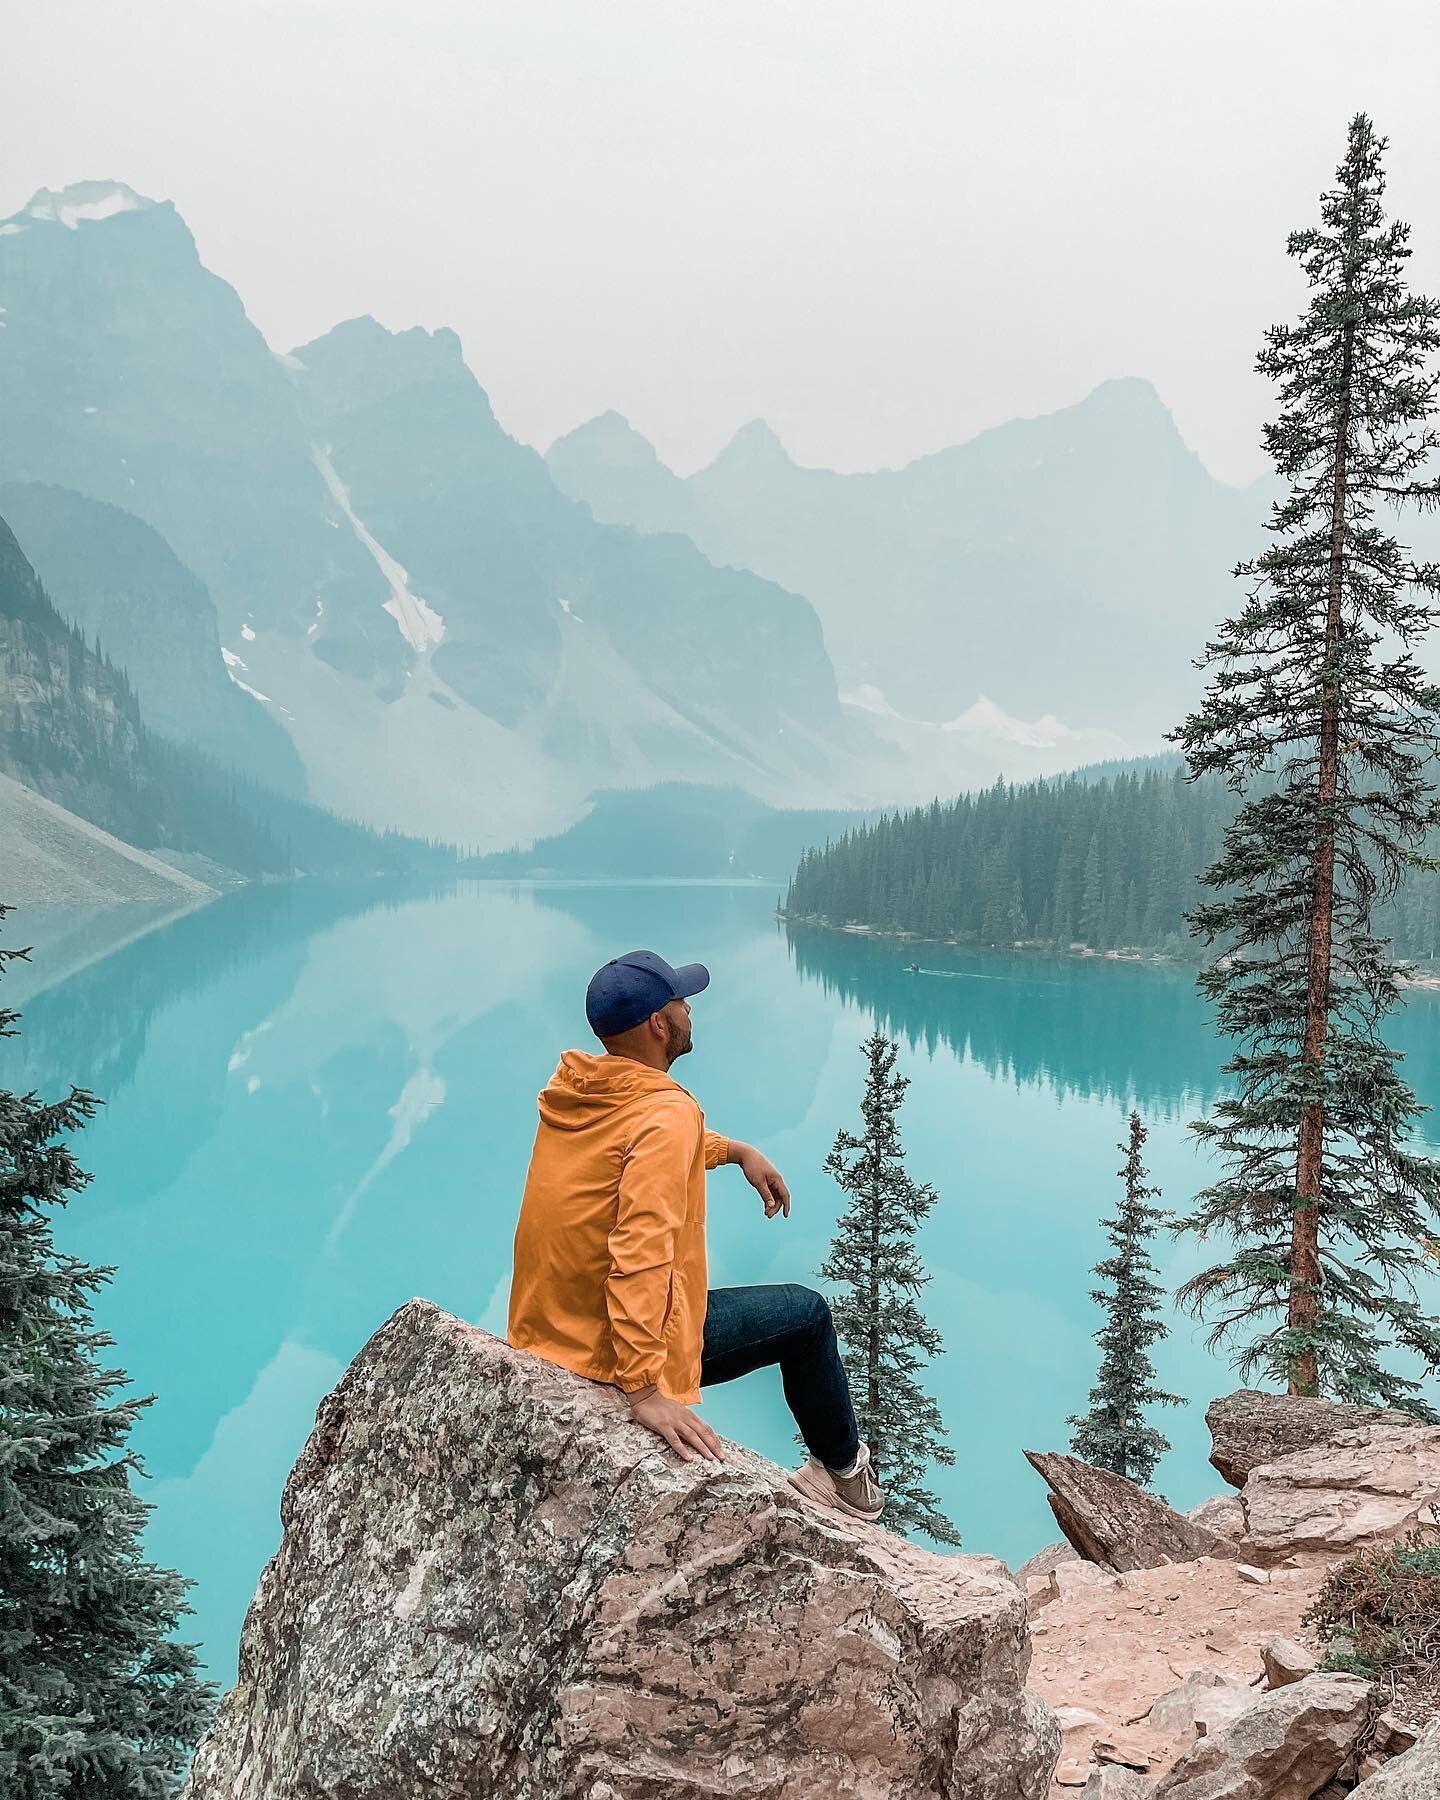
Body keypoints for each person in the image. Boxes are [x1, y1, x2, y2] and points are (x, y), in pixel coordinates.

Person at [507, 949, 885, 1522]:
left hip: (547, 1325)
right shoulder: (665, 1114)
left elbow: (639, 1147)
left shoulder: (582, 1089)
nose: (689, 1008)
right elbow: (640, 1251)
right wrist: (642, 1390)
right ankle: (842, 1479)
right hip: (609, 1347)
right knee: (806, 1317)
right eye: (682, 1000)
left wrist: (734, 1152)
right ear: (661, 1025)